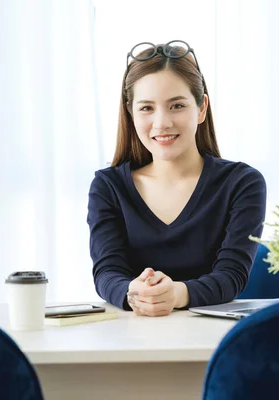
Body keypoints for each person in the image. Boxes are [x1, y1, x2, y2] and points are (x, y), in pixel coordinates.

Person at [86, 40, 267, 317]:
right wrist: (134, 293)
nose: (162, 123)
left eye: (176, 106)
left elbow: (232, 276)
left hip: (211, 338)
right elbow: (107, 272)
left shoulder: (242, 183)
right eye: (146, 108)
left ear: (202, 108)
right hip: (130, 335)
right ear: (130, 113)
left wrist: (176, 294)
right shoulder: (108, 187)